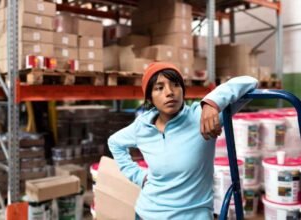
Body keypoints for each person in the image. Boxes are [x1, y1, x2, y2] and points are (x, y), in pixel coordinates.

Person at [108, 62, 258, 219]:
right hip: (146, 214)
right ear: (150, 98)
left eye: (175, 85)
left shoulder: (201, 117)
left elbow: (249, 82)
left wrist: (212, 103)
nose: (170, 92)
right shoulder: (142, 126)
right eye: (159, 88)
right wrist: (139, 176)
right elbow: (115, 142)